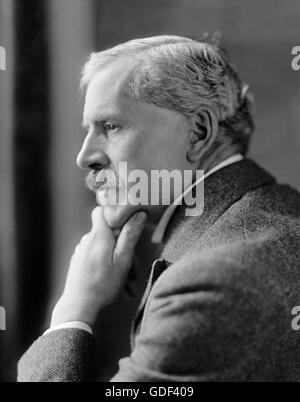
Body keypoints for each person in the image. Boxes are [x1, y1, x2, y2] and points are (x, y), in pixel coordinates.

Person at [18, 35, 300, 382]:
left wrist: (72, 311)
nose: (85, 156)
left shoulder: (209, 285)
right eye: (87, 131)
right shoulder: (276, 216)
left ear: (199, 132)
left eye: (111, 126)